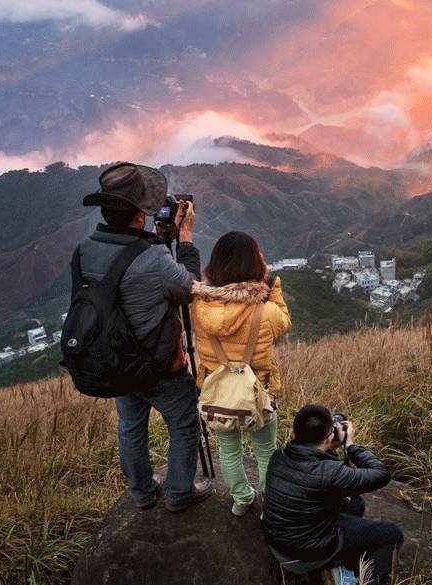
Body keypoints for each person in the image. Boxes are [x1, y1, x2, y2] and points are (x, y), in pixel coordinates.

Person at [76, 162, 211, 513]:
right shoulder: (153, 258)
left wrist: (152, 239)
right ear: (140, 214)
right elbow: (189, 289)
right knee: (183, 424)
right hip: (157, 363)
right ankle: (180, 493)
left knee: (131, 426)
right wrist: (184, 240)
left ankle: (141, 492)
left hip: (115, 360)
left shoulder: (85, 249)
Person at [191, 231, 292, 516]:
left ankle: (241, 499)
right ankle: (269, 505)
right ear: (255, 264)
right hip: (257, 391)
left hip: (216, 389)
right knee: (265, 451)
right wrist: (274, 289)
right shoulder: (266, 310)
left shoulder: (200, 306)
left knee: (228, 450)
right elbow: (284, 324)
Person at [263, 404, 403, 585]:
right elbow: (381, 474)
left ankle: (338, 564)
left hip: (278, 546)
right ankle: (347, 572)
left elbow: (314, 476)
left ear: (293, 433)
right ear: (329, 437)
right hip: (309, 555)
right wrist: (351, 446)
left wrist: (328, 449)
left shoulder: (278, 456)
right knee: (391, 534)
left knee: (355, 503)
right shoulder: (331, 473)